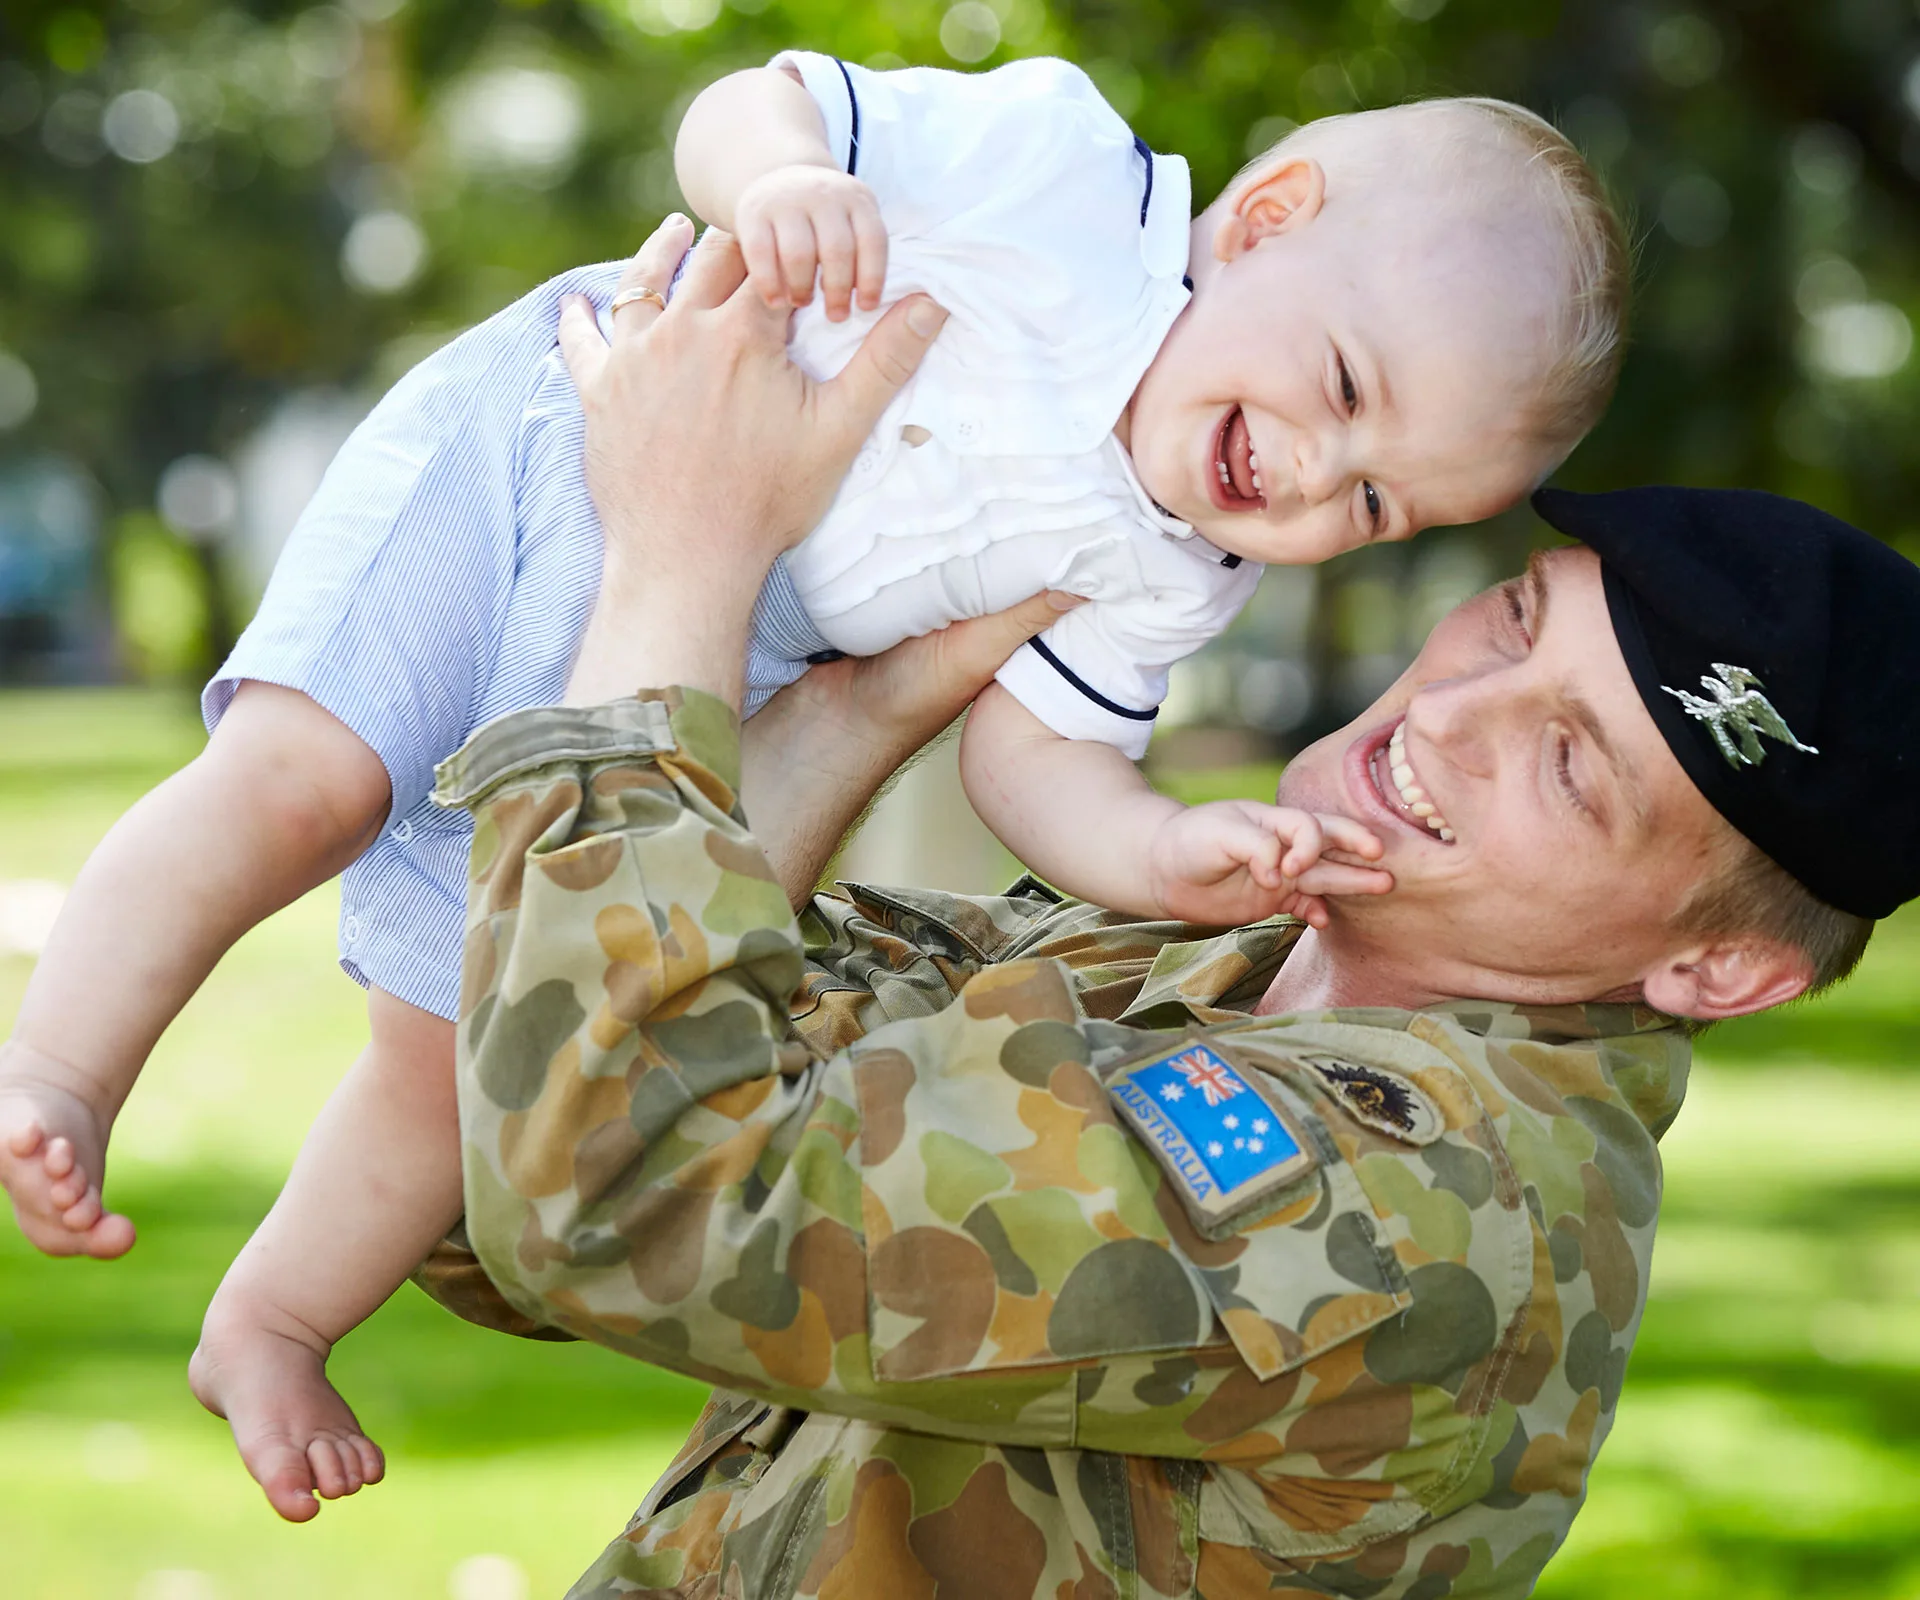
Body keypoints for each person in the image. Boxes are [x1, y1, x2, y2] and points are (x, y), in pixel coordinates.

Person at [0, 53, 1629, 1516]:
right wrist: (780, 182)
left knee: (460, 1037)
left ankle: (272, 1319)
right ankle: (58, 1070)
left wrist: (1156, 845)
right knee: (301, 780)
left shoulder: (1176, 565)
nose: (1313, 480)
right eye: (1345, 396)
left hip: (714, 637)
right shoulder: (1066, 178)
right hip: (569, 434)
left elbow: (1033, 753)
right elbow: (745, 101)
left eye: (1380, 509)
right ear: (1267, 219)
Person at [413, 225, 1916, 1596]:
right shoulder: (1211, 953)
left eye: (1571, 765)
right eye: (1515, 623)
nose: (1459, 713)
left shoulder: (1436, 1204)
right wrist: (849, 724)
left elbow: (624, 1196)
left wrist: (686, 561)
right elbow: (498, 1179)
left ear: (1720, 967)